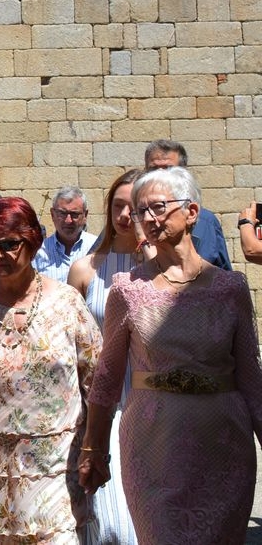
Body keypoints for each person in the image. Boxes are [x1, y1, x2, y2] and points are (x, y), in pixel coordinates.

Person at [79, 167, 262, 543]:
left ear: (191, 212)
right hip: (152, 445)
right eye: (141, 210)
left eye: (158, 207)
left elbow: (251, 377)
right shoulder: (127, 289)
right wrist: (93, 447)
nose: (147, 218)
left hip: (224, 445)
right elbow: (107, 376)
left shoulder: (231, 288)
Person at [0, 197, 101, 542]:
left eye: (9, 244)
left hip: (55, 473)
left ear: (33, 241)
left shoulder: (67, 304)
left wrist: (95, 449)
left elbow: (96, 384)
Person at [65, 169, 143, 544]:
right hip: (100, 404)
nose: (125, 215)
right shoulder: (85, 269)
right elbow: (69, 345)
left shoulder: (163, 269)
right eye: (118, 206)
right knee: (112, 525)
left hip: (149, 400)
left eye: (135, 207)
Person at [142, 139, 231, 270]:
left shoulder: (205, 222)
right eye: (153, 170)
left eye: (168, 169)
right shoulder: (134, 219)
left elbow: (221, 275)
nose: (160, 177)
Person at [32, 186, 97, 282]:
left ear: (85, 215)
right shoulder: (39, 252)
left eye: (74, 214)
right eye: (62, 213)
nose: (68, 220)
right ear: (52, 214)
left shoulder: (98, 247)